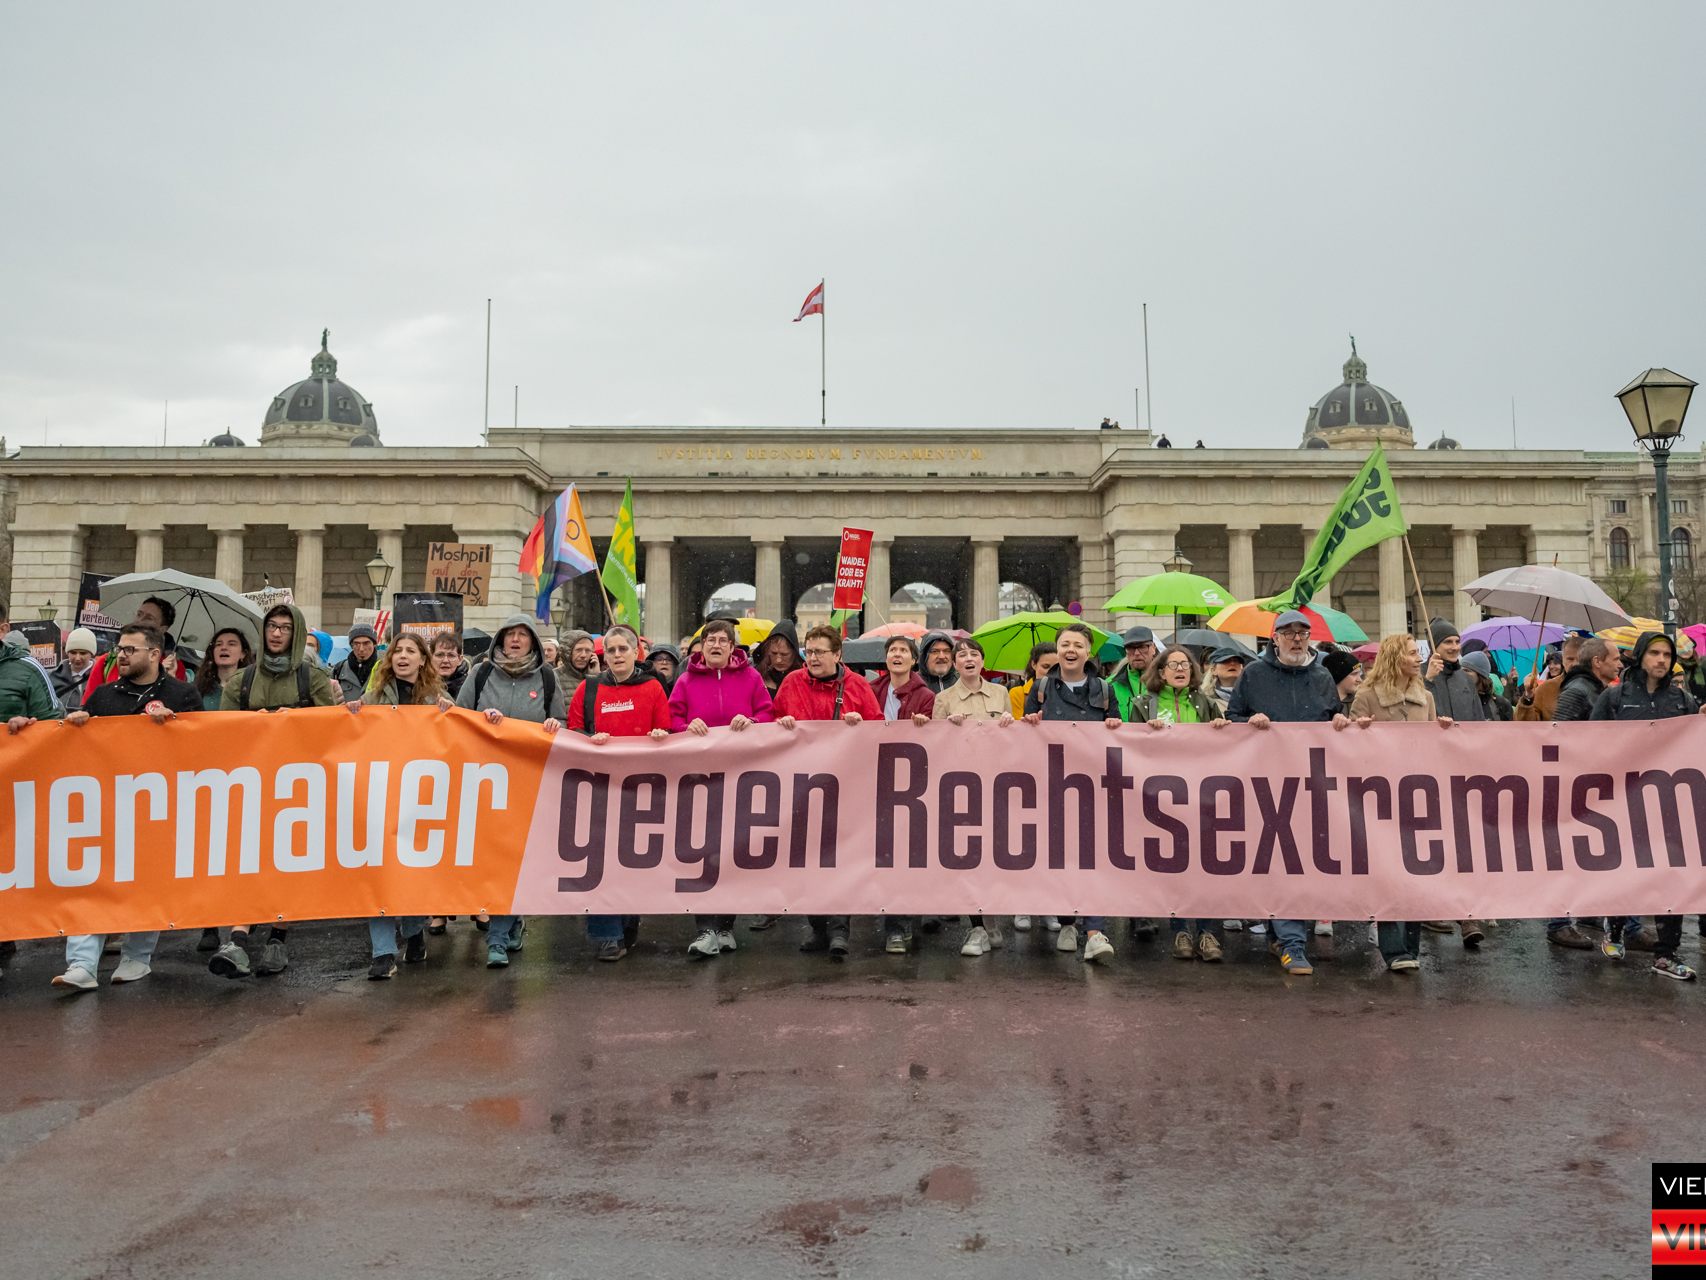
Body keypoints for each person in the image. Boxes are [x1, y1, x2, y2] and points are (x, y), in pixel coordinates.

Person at [52, 622, 202, 990]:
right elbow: (76, 743)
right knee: (93, 881)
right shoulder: (103, 696)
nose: (121, 655)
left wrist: (175, 728)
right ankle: (83, 963)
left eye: (131, 650)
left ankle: (137, 957)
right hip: (107, 805)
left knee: (147, 882)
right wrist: (74, 725)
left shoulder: (183, 696)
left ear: (155, 654)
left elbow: (203, 752)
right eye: (120, 648)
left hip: (159, 808)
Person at [206, 603, 339, 979]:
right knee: (248, 863)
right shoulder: (243, 681)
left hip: (298, 788)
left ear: (295, 634)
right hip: (251, 785)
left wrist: (293, 724)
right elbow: (221, 734)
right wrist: (253, 725)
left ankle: (278, 939)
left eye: (285, 628)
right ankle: (237, 939)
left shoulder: (311, 679)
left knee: (288, 865)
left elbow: (329, 733)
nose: (277, 634)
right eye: (271, 627)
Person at [1225, 610, 1351, 976]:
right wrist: (1248, 722)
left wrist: (1339, 723)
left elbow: (1332, 719)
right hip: (1265, 784)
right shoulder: (1254, 674)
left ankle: (1283, 936)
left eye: (1303, 632)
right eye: (1288, 632)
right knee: (1282, 863)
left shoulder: (1322, 675)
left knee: (1301, 863)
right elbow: (1233, 719)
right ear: (1274, 637)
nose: (1297, 638)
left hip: (1312, 783)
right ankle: (1293, 944)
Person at [1589, 630, 1702, 979]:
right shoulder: (1615, 697)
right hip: (1625, 800)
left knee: (1673, 875)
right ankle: (1618, 925)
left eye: (1667, 655)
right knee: (1631, 871)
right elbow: (1589, 743)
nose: (1662, 660)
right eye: (1654, 653)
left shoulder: (1682, 700)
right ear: (1640, 656)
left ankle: (1666, 954)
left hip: (1670, 803)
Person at [1349, 635, 1463, 970]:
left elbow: (1432, 749)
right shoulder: (1367, 697)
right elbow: (1350, 749)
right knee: (1387, 872)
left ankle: (1411, 947)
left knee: (1415, 870)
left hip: (1417, 795)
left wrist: (1440, 729)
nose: (1419, 658)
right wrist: (1359, 730)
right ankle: (1393, 948)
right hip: (1379, 797)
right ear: (1397, 657)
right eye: (1413, 653)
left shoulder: (1425, 697)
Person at [457, 614, 564, 968]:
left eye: (522, 635)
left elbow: (562, 722)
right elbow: (458, 718)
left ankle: (503, 931)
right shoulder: (481, 674)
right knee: (496, 859)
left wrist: (553, 725)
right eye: (509, 636)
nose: (515, 641)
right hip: (486, 782)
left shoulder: (546, 678)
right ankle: (503, 931)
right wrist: (478, 718)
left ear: (533, 641)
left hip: (529, 780)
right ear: (500, 641)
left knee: (518, 860)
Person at [666, 617, 775, 956]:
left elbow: (768, 714)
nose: (715, 645)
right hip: (699, 780)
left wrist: (752, 721)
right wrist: (687, 724)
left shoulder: (751, 677)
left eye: (721, 640)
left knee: (732, 852)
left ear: (732, 647)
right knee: (703, 852)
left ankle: (726, 925)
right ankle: (705, 927)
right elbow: (671, 719)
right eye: (710, 639)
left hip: (740, 777)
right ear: (701, 646)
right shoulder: (685, 680)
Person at [774, 625, 881, 959]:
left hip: (845, 785)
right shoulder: (792, 683)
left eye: (820, 651)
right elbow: (772, 723)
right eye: (809, 651)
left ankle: (839, 930)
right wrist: (782, 724)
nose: (813, 657)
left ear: (838, 654)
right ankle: (818, 927)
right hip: (802, 784)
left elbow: (878, 729)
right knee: (807, 861)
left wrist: (860, 725)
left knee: (839, 860)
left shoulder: (858, 686)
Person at [568, 624, 672, 961]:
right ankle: (605, 933)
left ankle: (628, 917)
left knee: (631, 859)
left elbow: (667, 730)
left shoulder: (653, 688)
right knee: (600, 861)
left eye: (622, 649)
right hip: (598, 787)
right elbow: (574, 731)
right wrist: (587, 739)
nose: (616, 656)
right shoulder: (588, 688)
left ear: (635, 653)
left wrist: (660, 734)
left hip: (641, 788)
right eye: (610, 650)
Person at [1023, 622, 1123, 964]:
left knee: (1093, 859)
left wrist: (1114, 726)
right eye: (1065, 644)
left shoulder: (1105, 690)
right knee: (1060, 856)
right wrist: (1031, 724)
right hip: (1052, 784)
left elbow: (1120, 739)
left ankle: (1094, 931)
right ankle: (1067, 921)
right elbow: (1024, 738)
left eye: (1078, 645)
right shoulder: (1039, 688)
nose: (1070, 650)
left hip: (1092, 785)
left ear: (1088, 652)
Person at [1130, 646, 1231, 962]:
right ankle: (1180, 931)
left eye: (1185, 664)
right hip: (1162, 797)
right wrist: (1146, 734)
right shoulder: (1143, 705)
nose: (1180, 669)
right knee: (1174, 865)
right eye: (1172, 664)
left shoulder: (1207, 704)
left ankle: (1206, 931)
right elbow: (1131, 747)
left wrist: (1220, 727)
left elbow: (1227, 747)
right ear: (1160, 672)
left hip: (1201, 794)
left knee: (1205, 866)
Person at [931, 637, 1015, 957]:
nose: (968, 658)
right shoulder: (944, 699)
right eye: (961, 655)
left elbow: (1013, 742)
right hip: (963, 787)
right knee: (969, 857)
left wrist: (1010, 724)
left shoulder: (1000, 693)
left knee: (995, 857)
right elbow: (935, 747)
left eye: (973, 654)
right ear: (954, 664)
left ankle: (991, 918)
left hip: (997, 784)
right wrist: (947, 729)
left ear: (982, 661)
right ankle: (977, 925)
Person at [869, 636, 936, 952]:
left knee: (904, 857)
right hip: (876, 779)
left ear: (913, 660)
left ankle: (899, 925)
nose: (897, 655)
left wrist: (926, 725)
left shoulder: (925, 696)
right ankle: (891, 917)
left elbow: (937, 739)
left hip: (911, 785)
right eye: (892, 651)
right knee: (882, 855)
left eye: (903, 651)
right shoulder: (871, 692)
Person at [83, 595, 183, 702]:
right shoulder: (107, 661)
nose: (140, 620)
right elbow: (89, 706)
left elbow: (177, 710)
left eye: (149, 618)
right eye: (139, 614)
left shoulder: (174, 666)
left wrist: (168, 679)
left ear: (163, 629)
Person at [1424, 619, 1486, 722]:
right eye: (1448, 642)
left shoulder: (1465, 678)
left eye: (1457, 642)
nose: (1455, 647)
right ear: (1433, 646)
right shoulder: (1418, 675)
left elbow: (1478, 719)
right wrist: (1428, 680)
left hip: (1464, 737)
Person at [1514, 634, 1582, 722]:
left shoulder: (1600, 686)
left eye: (1580, 659)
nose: (1575, 664)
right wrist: (1528, 696)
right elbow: (1525, 724)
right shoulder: (1546, 688)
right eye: (1570, 659)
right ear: (1563, 660)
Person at [194, 626, 253, 710]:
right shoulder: (199, 686)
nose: (224, 648)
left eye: (231, 644)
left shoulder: (251, 686)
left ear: (243, 653)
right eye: (218, 644)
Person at [1107, 626, 1157, 721]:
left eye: (1142, 647)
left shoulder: (1167, 682)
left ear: (1153, 648)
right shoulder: (1110, 685)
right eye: (1130, 648)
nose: (1137, 653)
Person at [1008, 641, 1058, 719]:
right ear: (1034, 664)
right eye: (1045, 666)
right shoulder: (1017, 694)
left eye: (1056, 668)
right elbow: (1018, 726)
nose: (1050, 672)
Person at [752, 621, 803, 697]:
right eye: (774, 653)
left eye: (784, 654)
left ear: (794, 653)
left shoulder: (805, 679)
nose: (778, 660)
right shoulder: (756, 676)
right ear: (767, 651)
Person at [334, 622, 381, 702]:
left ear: (374, 644)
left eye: (366, 643)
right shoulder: (339, 669)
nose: (361, 649)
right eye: (356, 644)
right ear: (351, 645)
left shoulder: (385, 668)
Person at [52, 628, 99, 704]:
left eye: (83, 653)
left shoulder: (102, 676)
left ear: (92, 654)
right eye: (73, 653)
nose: (77, 658)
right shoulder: (52, 676)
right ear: (67, 653)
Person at [1461, 651, 1512, 721]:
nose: (1461, 674)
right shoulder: (1457, 700)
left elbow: (1509, 730)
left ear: (1480, 675)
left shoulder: (1501, 704)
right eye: (1459, 670)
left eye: (1466, 670)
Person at [557, 629, 597, 706]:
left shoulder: (598, 677)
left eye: (588, 650)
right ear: (567, 652)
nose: (583, 655)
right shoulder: (553, 677)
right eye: (579, 650)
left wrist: (595, 678)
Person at [1201, 647, 1246, 712]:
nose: (1232, 663)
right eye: (1225, 661)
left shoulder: (1252, 694)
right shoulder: (1205, 699)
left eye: (1236, 661)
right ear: (1213, 670)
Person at [1321, 648, 1363, 714]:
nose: (1360, 680)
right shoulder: (1321, 704)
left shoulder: (1361, 702)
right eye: (1354, 674)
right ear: (1339, 676)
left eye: (1359, 674)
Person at [431, 631, 471, 700]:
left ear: (460, 659)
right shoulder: (420, 686)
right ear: (430, 657)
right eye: (440, 655)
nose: (445, 660)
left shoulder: (471, 687)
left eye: (451, 655)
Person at [916, 631, 957, 695]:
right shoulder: (913, 684)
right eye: (935, 651)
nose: (942, 657)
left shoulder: (963, 683)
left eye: (946, 651)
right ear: (924, 657)